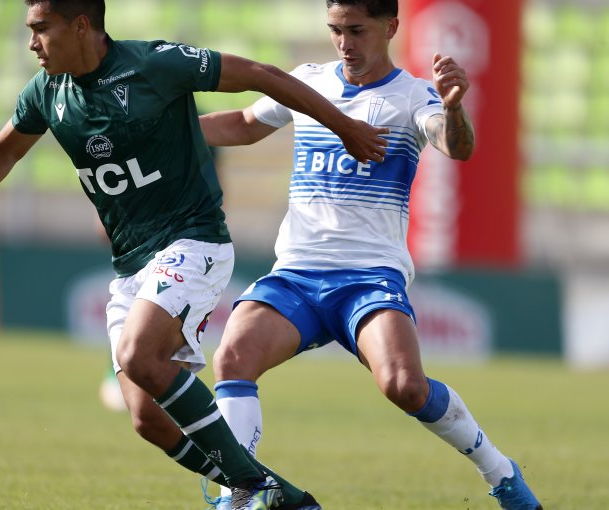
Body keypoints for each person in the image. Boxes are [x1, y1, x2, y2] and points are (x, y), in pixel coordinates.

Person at [0, 1, 388, 508]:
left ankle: (251, 486)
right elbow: (6, 147)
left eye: (41, 29)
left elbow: (262, 74)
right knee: (146, 418)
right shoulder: (47, 91)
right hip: (130, 263)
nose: (32, 43)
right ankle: (284, 495)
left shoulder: (153, 65)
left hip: (193, 240)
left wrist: (344, 126)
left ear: (81, 25)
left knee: (137, 355)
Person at [198, 1, 542, 509]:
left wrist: (452, 106)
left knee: (405, 386)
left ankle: (500, 473)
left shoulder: (414, 96)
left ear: (390, 27)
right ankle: (238, 496)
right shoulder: (309, 81)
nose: (345, 43)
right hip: (296, 274)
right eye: (336, 31)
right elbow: (248, 124)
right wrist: (164, 133)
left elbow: (457, 146)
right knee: (231, 357)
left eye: (357, 30)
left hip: (367, 278)